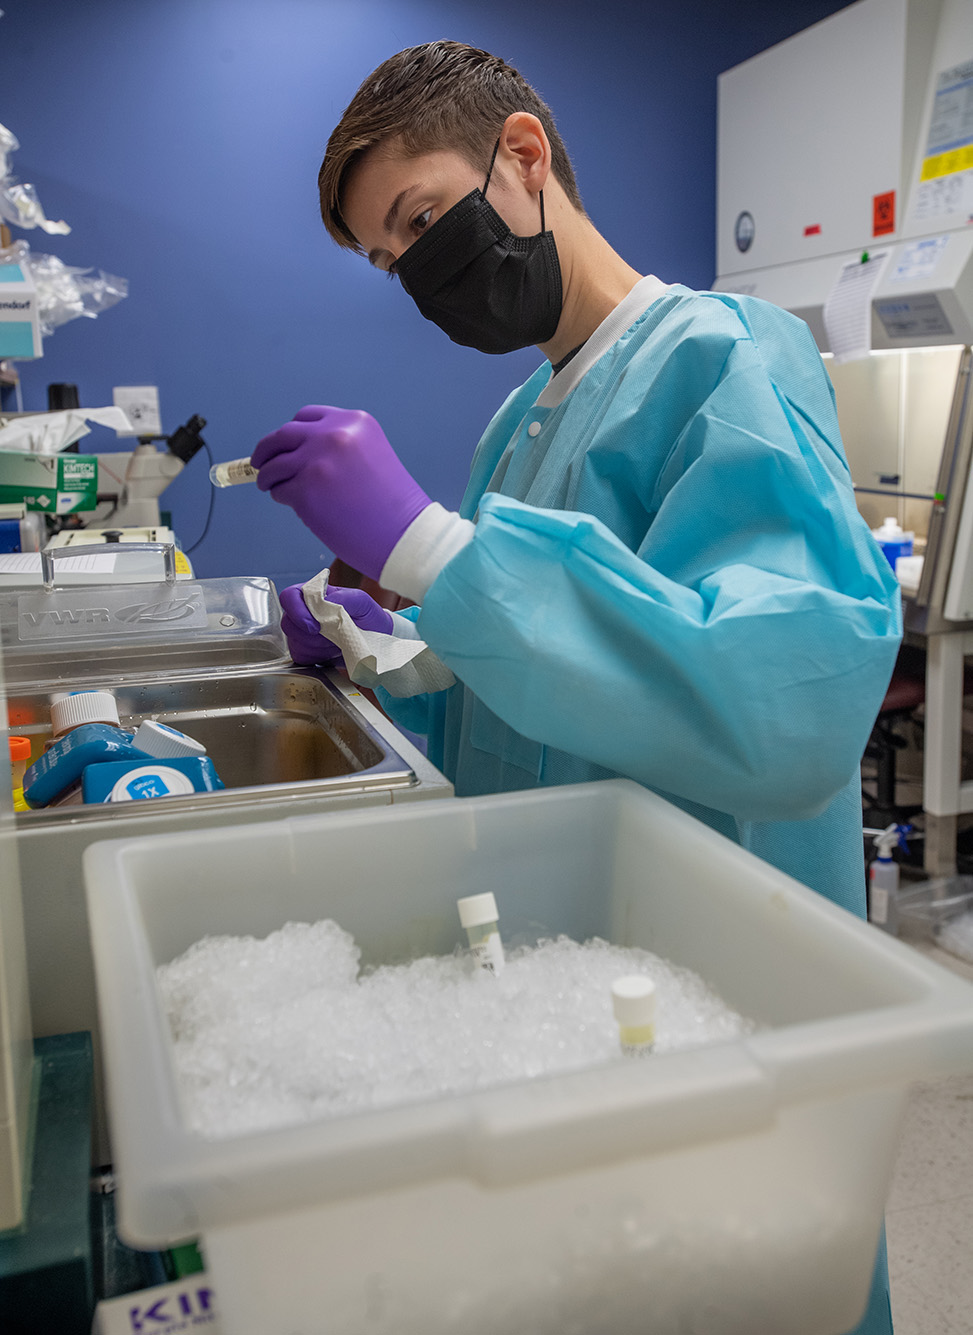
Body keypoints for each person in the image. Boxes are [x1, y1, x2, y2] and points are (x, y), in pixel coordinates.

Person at [251, 42, 900, 1334]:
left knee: (745, 1277)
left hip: (718, 959)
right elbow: (528, 694)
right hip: (575, 967)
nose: (418, 275)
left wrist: (437, 548)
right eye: (392, 262)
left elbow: (784, 703)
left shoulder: (726, 357)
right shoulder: (521, 418)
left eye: (422, 221)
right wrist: (383, 640)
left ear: (524, 156)